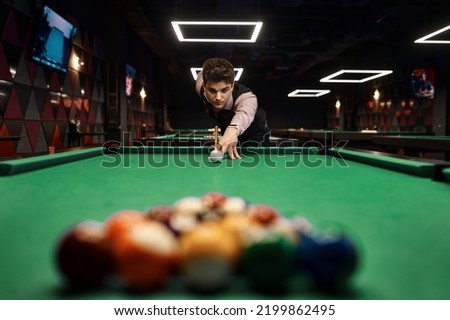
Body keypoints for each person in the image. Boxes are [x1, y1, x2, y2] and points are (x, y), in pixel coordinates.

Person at [196, 58, 269, 160]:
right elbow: (201, 74)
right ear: (204, 86)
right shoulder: (200, 86)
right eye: (212, 90)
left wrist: (233, 130)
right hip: (228, 126)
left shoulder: (247, 98)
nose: (218, 97)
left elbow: (244, 113)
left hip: (255, 134)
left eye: (224, 90)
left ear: (232, 86)